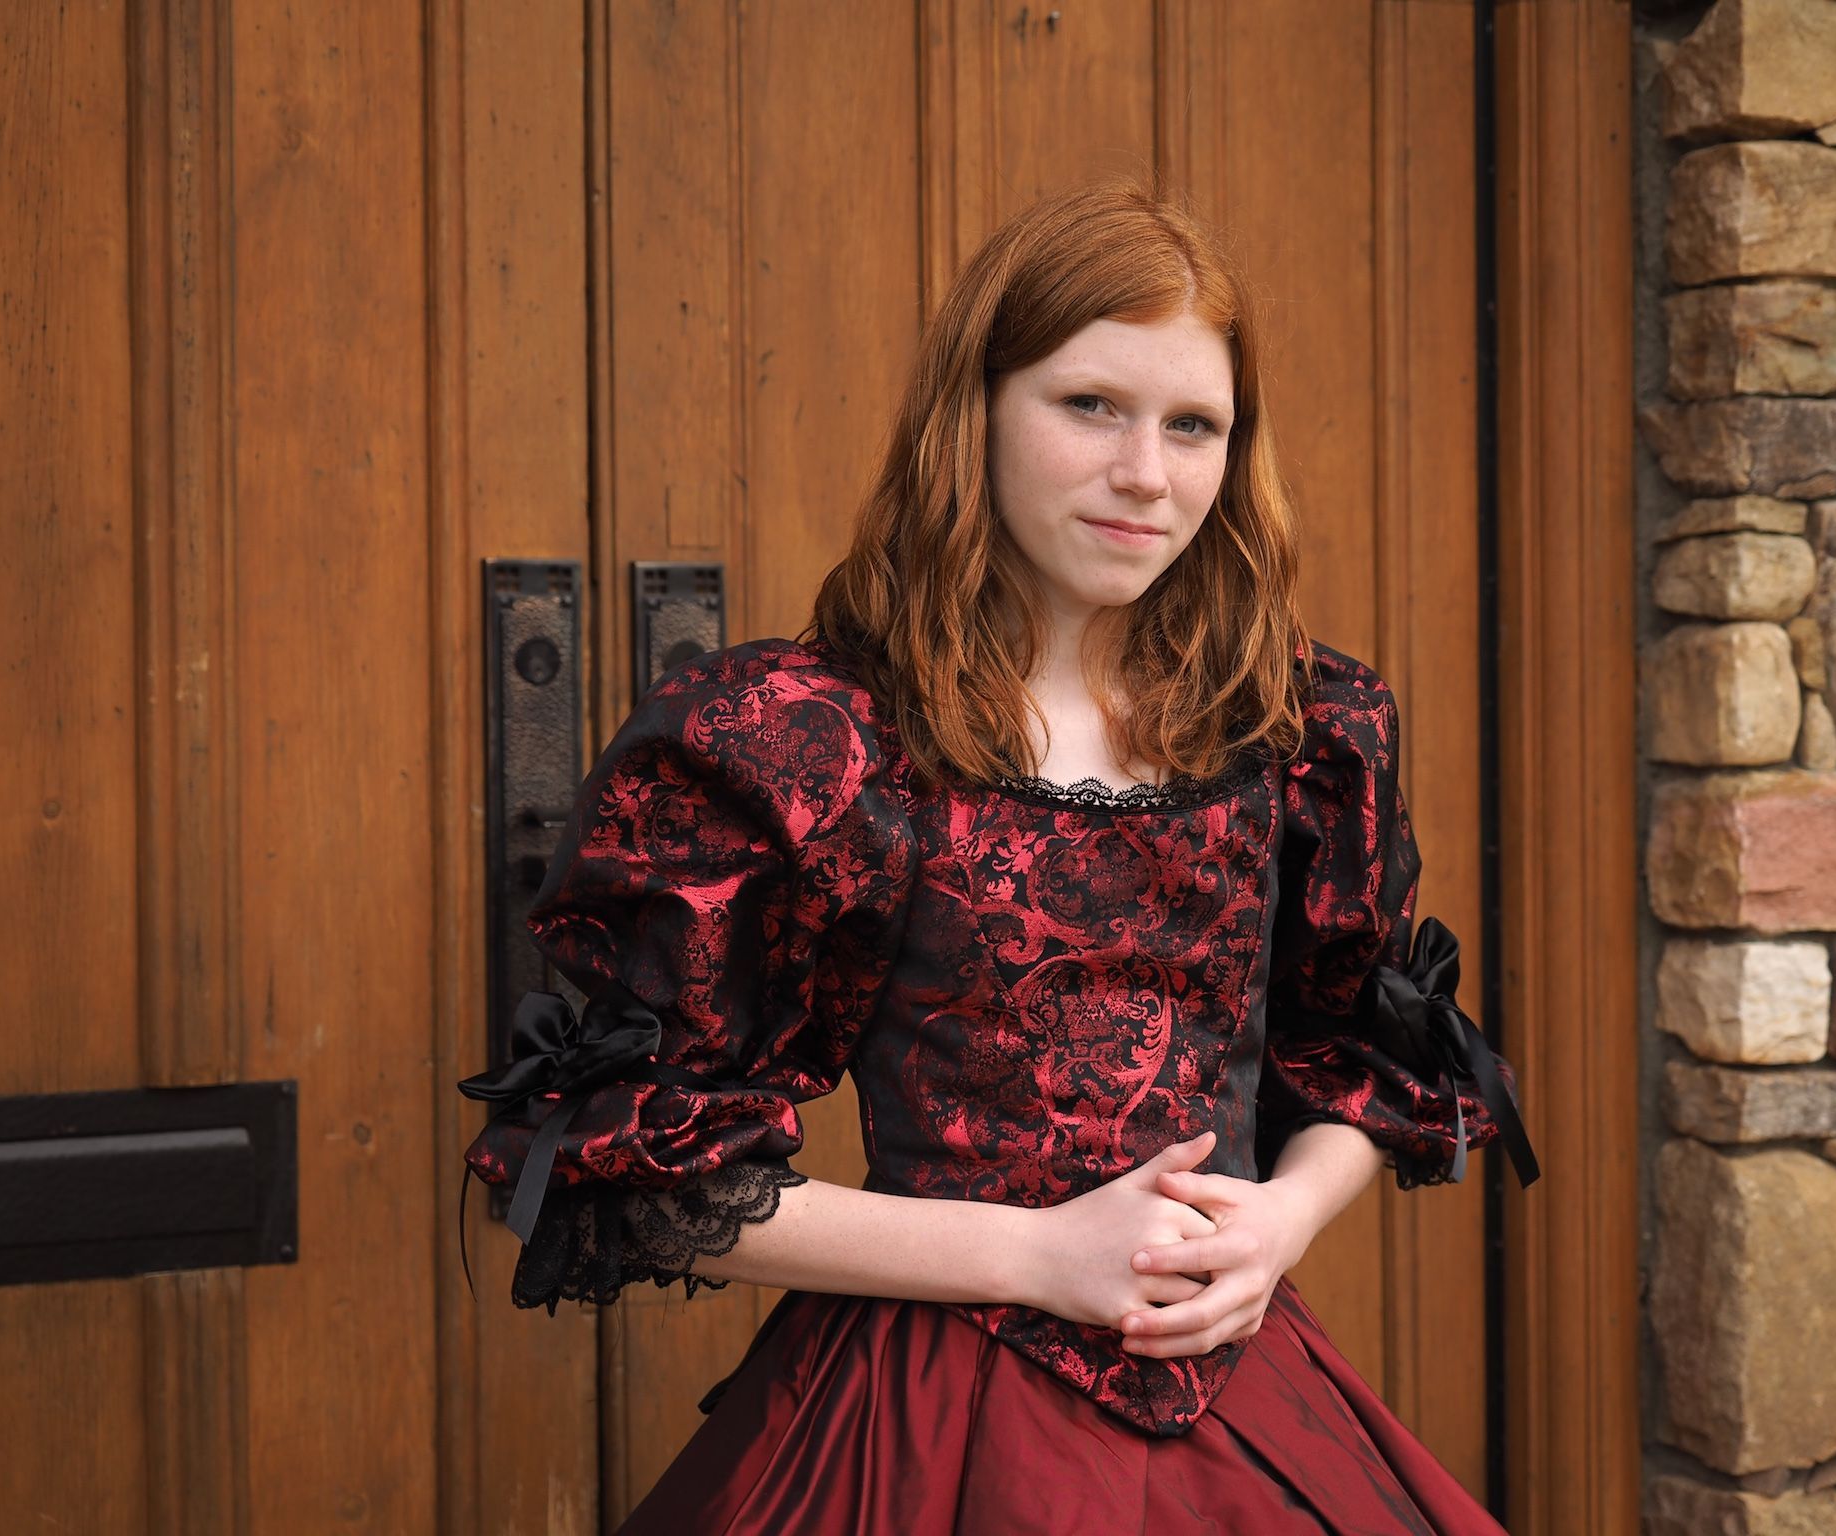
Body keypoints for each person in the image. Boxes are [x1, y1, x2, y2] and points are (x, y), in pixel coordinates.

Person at [458, 176, 1539, 1535]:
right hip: (925, 1416)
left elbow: (1366, 1051)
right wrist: (1032, 1254)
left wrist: (1285, 1219)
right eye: (1090, 405)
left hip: (1237, 1392)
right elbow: (632, 1158)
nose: (1147, 473)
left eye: (1193, 424)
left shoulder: (1299, 726)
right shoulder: (808, 740)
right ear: (975, 413)